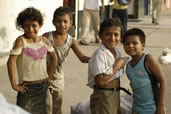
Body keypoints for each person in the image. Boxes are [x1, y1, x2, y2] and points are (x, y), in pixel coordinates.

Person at [7, 7, 57, 114]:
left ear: (40, 25)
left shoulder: (44, 41)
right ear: (22, 26)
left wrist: (49, 76)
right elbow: (11, 62)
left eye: (34, 25)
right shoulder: (21, 41)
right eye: (26, 26)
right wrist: (14, 85)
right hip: (27, 89)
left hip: (43, 87)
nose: (30, 29)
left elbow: (54, 59)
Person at [43, 6, 90, 114]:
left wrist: (96, 58)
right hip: (44, 75)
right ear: (53, 22)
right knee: (47, 106)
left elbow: (82, 58)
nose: (62, 24)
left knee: (57, 106)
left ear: (71, 23)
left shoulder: (71, 41)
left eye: (65, 21)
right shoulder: (46, 37)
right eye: (59, 21)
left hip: (58, 77)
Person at [87, 18, 127, 114]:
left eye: (116, 35)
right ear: (100, 36)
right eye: (108, 34)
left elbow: (116, 78)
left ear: (121, 37)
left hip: (114, 93)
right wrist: (117, 65)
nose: (112, 38)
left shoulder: (116, 52)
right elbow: (100, 82)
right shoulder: (100, 54)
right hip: (103, 95)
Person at [123, 28, 166, 114]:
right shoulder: (128, 66)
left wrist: (160, 106)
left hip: (152, 109)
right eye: (127, 43)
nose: (130, 46)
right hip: (136, 110)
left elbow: (162, 81)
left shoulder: (148, 60)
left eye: (134, 43)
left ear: (143, 45)